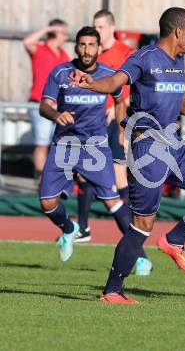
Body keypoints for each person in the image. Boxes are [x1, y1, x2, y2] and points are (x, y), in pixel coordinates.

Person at [74, 7, 185, 304]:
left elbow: (182, 104)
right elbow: (116, 81)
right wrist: (93, 83)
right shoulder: (144, 57)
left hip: (174, 142)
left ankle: (175, 239)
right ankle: (111, 291)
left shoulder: (178, 61)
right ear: (178, 31)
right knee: (142, 225)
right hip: (148, 148)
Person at [39, 26, 151, 275]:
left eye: (91, 45)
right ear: (76, 47)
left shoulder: (108, 75)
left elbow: (121, 99)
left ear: (99, 48)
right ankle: (69, 229)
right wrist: (57, 114)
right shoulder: (61, 73)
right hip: (64, 146)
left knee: (113, 202)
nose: (86, 50)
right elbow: (44, 105)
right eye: (82, 44)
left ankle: (141, 257)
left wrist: (122, 130)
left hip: (95, 149)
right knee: (47, 202)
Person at [72, 10, 137, 244]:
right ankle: (83, 227)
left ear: (111, 27)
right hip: (91, 122)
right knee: (83, 172)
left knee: (120, 175)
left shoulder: (126, 52)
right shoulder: (92, 53)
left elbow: (133, 83)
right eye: (94, 26)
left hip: (115, 120)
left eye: (100, 27)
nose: (96, 30)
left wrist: (119, 106)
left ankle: (133, 231)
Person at [23, 19, 70, 179]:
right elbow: (27, 41)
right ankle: (42, 179)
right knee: (42, 144)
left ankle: (53, 179)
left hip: (60, 105)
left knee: (57, 144)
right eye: (64, 32)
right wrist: (47, 28)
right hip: (40, 103)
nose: (66, 36)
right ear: (55, 32)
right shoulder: (40, 49)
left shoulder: (64, 55)